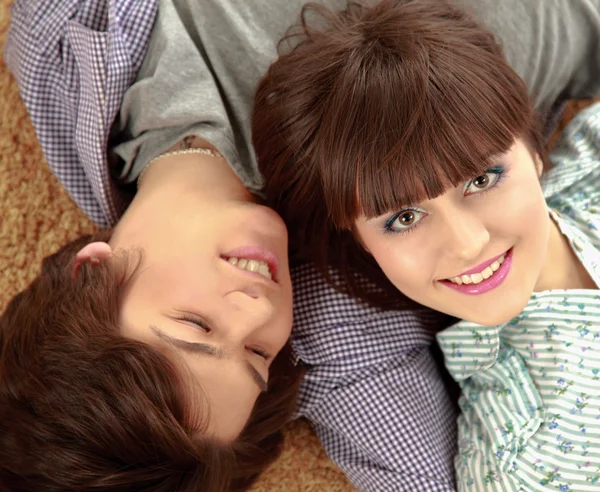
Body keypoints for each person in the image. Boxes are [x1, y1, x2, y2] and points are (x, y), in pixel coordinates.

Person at [3, 0, 600, 490]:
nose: (259, 309)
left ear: (91, 273)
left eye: (196, 328)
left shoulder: (64, 58)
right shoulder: (350, 290)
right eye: (258, 356)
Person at [252, 0, 600, 490]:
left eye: (482, 178)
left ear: (531, 146)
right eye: (405, 217)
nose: (467, 243)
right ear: (358, 240)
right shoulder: (522, 461)